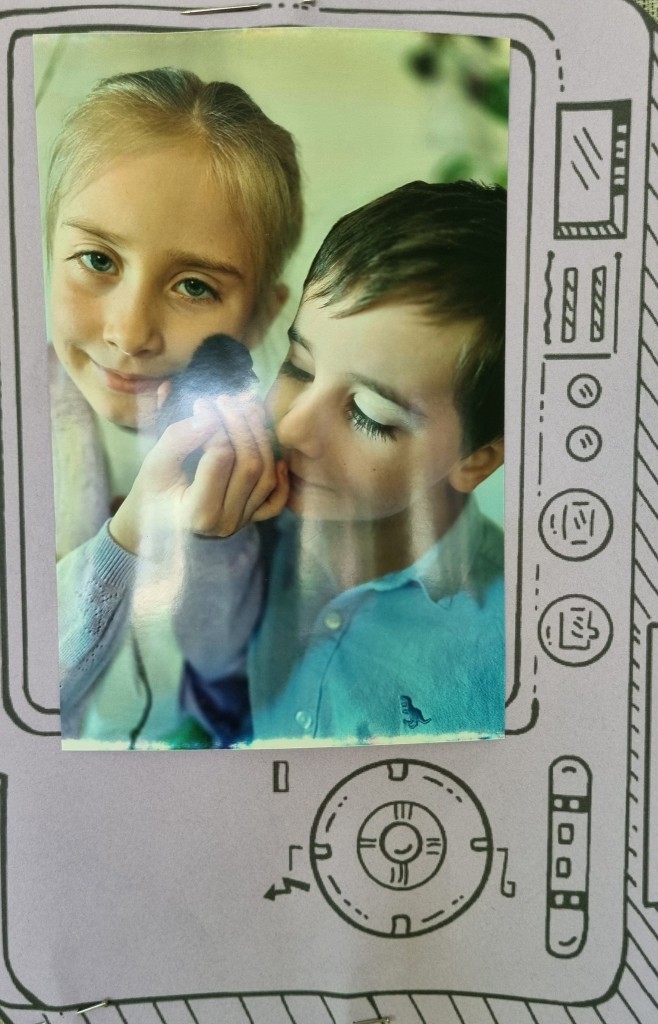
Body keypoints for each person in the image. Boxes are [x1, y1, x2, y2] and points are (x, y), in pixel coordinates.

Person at [166, 179, 507, 745]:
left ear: (477, 457)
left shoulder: (516, 648)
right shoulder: (247, 529)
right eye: (299, 368)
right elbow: (204, 686)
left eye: (370, 414)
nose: (292, 428)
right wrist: (208, 549)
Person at [48, 67, 302, 743]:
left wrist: (216, 544)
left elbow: (223, 670)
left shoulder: (250, 453)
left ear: (257, 319)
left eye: (193, 286)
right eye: (98, 260)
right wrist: (132, 534)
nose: (130, 333)